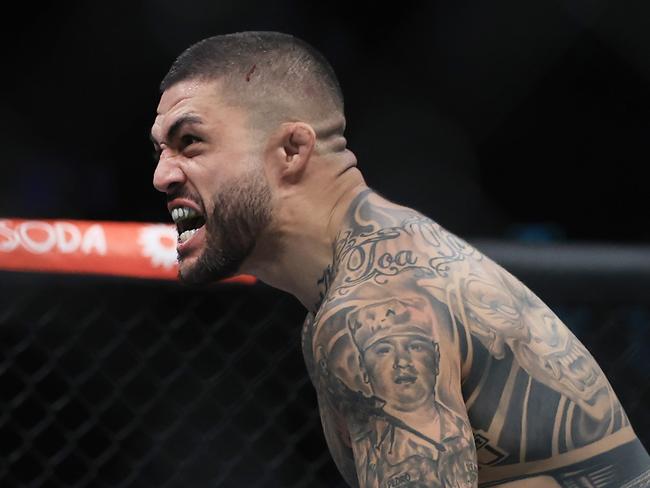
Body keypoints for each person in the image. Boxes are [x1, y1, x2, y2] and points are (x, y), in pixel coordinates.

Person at [150, 31, 650, 487]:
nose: (162, 176)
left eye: (190, 142)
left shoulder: (373, 313)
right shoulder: (366, 276)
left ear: (291, 150)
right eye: (159, 151)